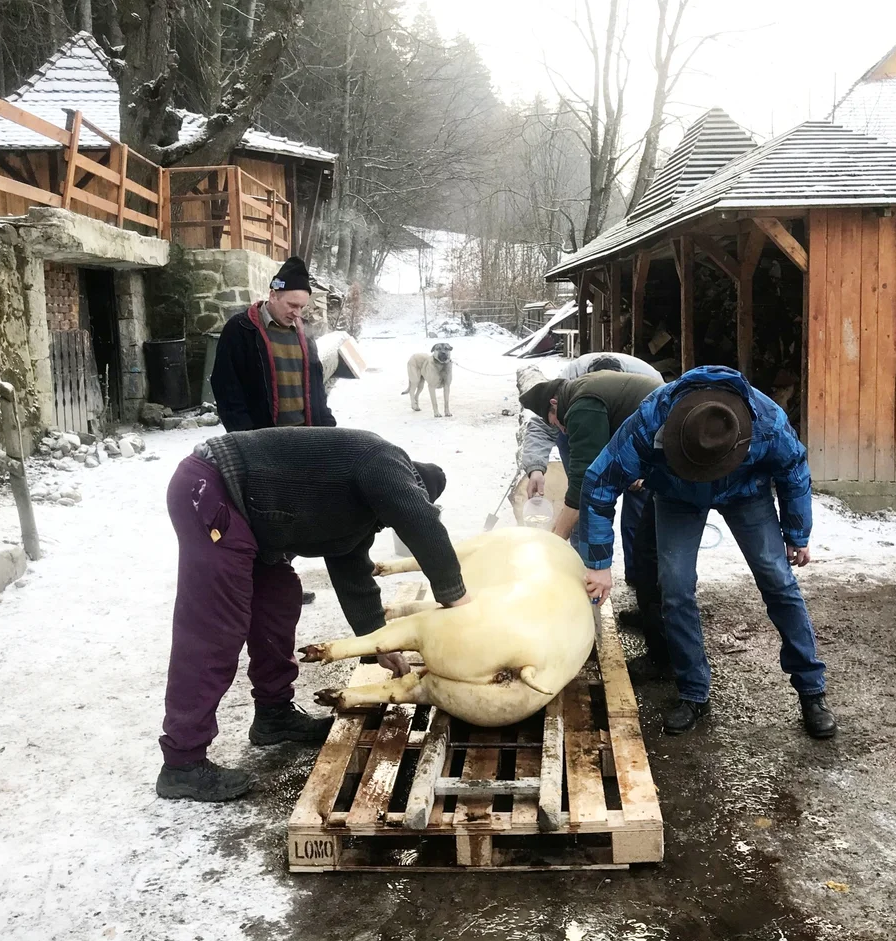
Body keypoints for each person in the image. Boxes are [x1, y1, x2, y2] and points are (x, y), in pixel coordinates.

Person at [156, 426, 471, 802]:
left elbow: (352, 570)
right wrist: (457, 599)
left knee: (277, 604)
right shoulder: (384, 462)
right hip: (213, 488)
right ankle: (183, 761)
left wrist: (380, 641)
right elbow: (423, 526)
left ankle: (274, 715)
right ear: (410, 490)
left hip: (252, 519)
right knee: (215, 628)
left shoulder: (364, 506)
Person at [577, 365, 836, 739]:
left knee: (778, 579)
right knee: (675, 587)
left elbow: (794, 467)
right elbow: (600, 482)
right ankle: (693, 692)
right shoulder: (651, 419)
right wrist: (598, 564)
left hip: (745, 493)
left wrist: (797, 532)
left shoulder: (766, 421)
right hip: (677, 495)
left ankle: (812, 691)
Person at [210, 255, 335, 604]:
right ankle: (250, 589)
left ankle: (279, 586)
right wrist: (246, 441)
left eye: (303, 307)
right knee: (261, 522)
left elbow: (317, 389)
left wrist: (329, 433)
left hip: (302, 444)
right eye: (293, 305)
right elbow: (226, 389)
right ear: (274, 294)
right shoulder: (242, 329)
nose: (298, 313)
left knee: (294, 521)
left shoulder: (303, 335)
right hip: (260, 446)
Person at [520, 352, 661, 584]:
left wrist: (640, 470)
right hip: (586, 420)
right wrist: (536, 467)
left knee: (637, 503)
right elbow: (545, 426)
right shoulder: (566, 384)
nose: (559, 426)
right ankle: (578, 561)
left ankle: (638, 576)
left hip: (635, 429)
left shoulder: (646, 378)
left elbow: (660, 429)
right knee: (584, 491)